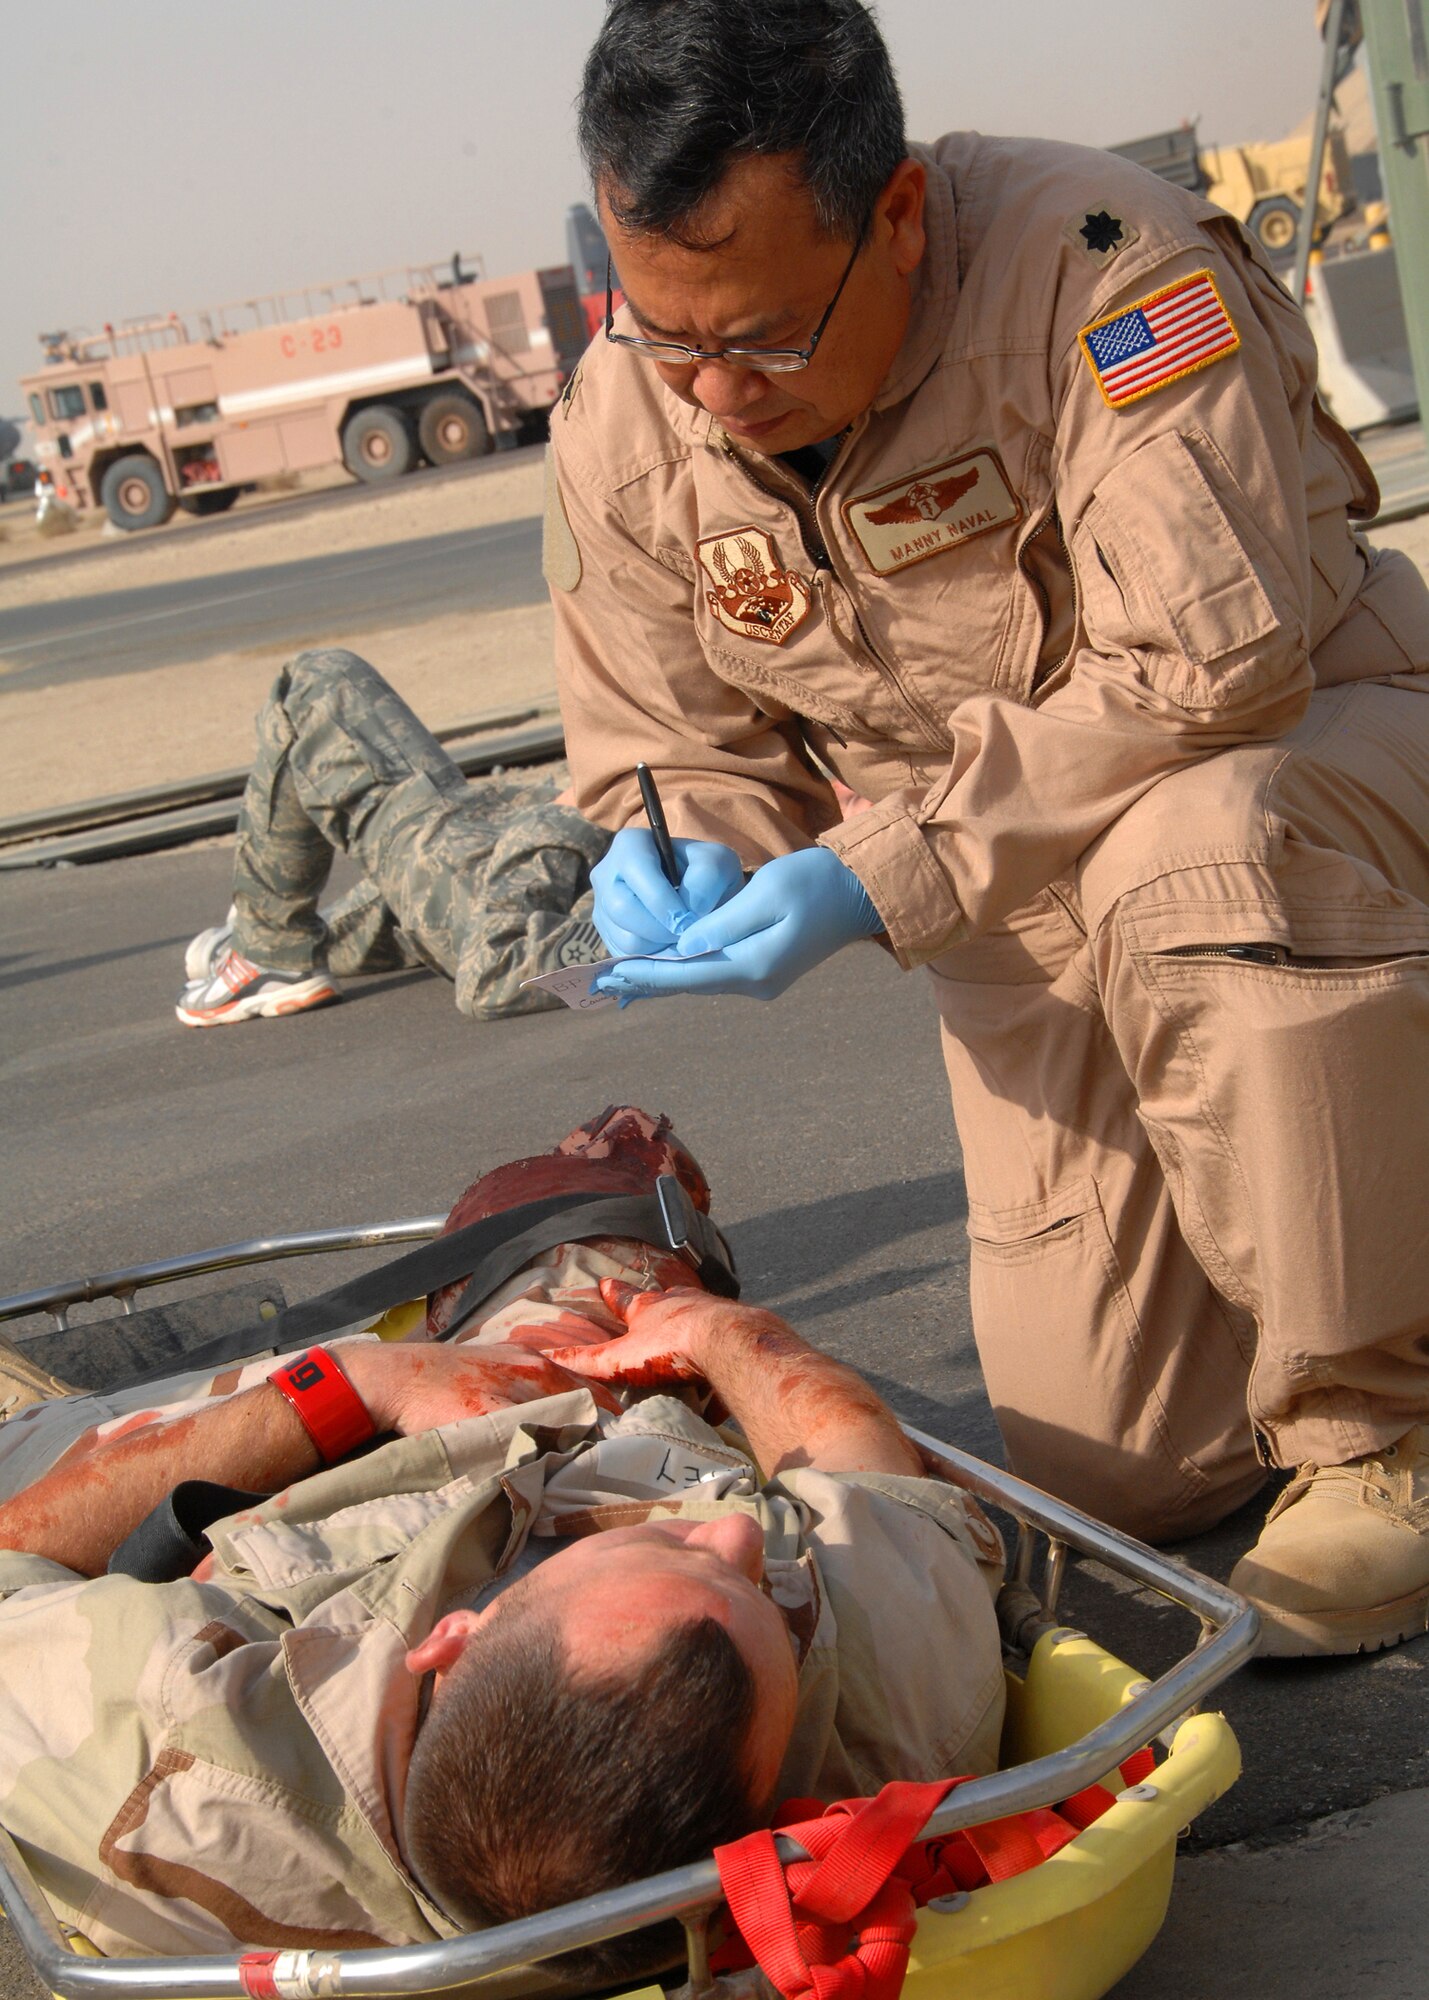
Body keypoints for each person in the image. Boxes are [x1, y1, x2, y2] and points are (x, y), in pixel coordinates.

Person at [546, 0, 1429, 1657]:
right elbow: (666, 733)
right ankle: (1352, 1218)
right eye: (663, 332)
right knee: (1125, 1474)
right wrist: (682, 845)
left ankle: (1379, 1436)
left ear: (894, 216)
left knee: (1193, 852)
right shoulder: (641, 404)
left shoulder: (1103, 266)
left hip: (1310, 773)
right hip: (1019, 928)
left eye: (759, 335)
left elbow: (1200, 673)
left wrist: (867, 871)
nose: (712, 388)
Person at [0, 1107, 1004, 1980]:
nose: (740, 1528)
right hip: (582, 1419)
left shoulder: (154, 1747)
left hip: (233, 1506)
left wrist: (350, 1387)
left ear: (447, 1638)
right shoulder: (888, 1700)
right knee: (603, 1190)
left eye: (688, 1551)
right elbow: (852, 1457)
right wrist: (708, 1330)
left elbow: (18, 1546)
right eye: (762, 1588)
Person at [176, 647, 611, 1026]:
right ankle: (257, 941)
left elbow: (493, 975)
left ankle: (268, 950)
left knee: (320, 682)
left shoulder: (651, 926)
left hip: (469, 872)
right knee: (324, 936)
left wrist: (571, 813)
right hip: (495, 855)